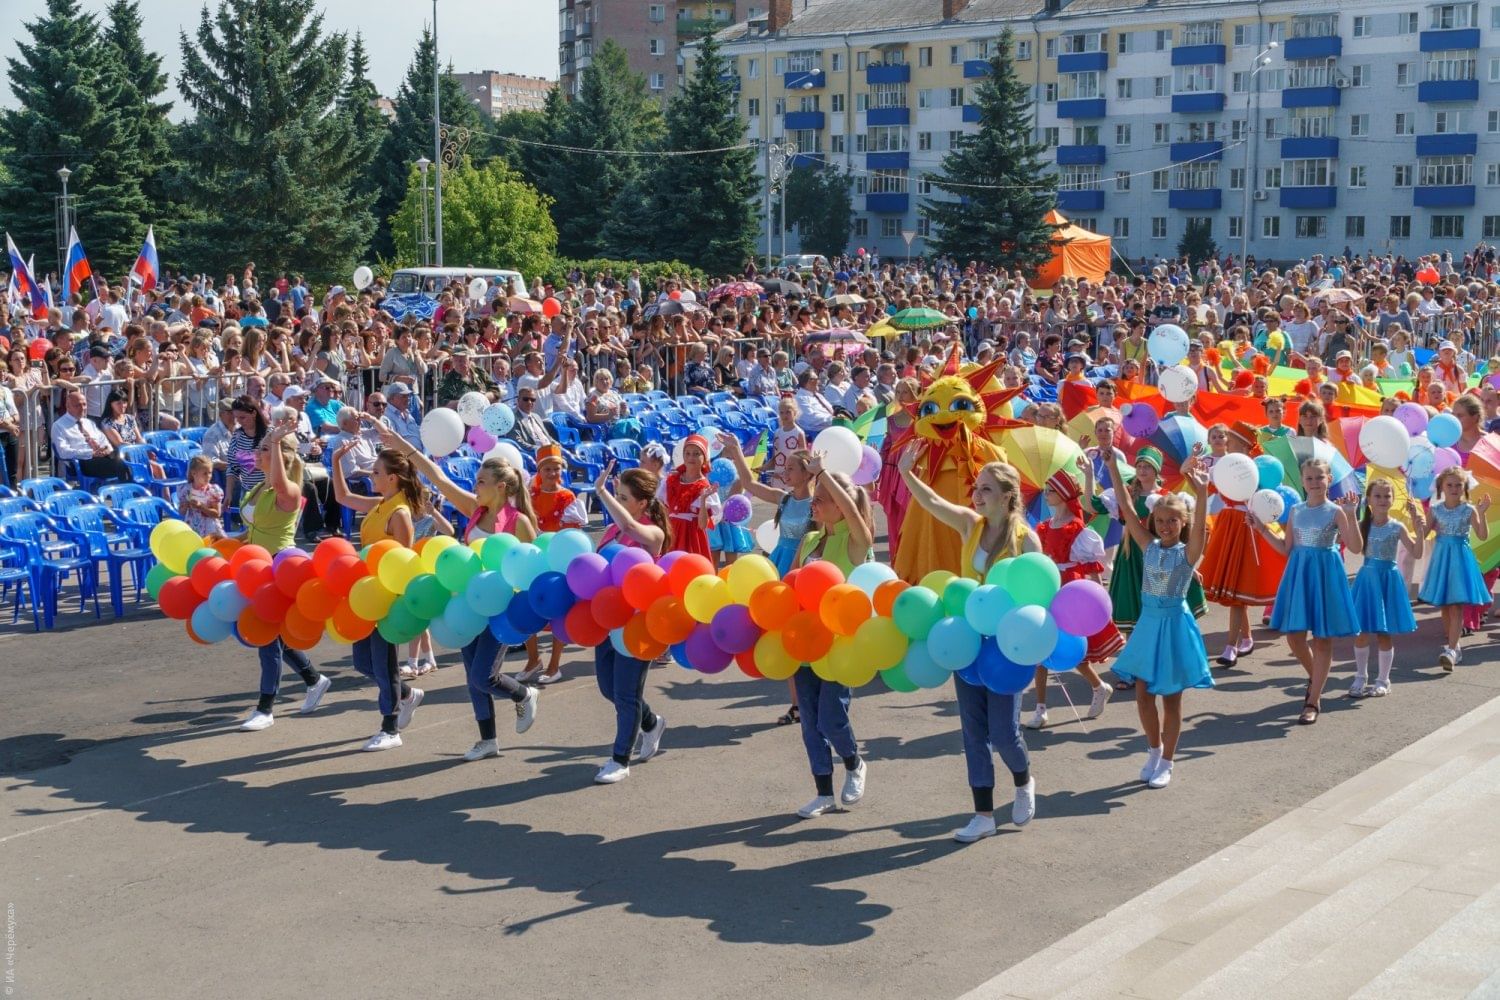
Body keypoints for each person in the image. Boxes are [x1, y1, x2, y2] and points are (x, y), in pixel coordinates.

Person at [377, 426, 541, 761]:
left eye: (481, 481)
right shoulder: (475, 510)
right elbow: (437, 478)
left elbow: (532, 565)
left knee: (484, 676)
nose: (474, 486)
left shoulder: (518, 522)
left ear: (501, 487)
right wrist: (403, 445)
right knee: (472, 677)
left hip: (499, 606)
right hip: (466, 601)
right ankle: (488, 740)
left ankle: (523, 693)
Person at [897, 450, 1038, 841]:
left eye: (987, 489)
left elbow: (1040, 598)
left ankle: (1024, 781)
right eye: (976, 488)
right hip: (966, 640)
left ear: (1008, 496)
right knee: (973, 732)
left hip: (1007, 647)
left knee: (1004, 733)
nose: (977, 495)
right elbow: (933, 502)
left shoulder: (1027, 540)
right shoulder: (970, 525)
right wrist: (907, 473)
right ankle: (983, 815)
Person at [1103, 450, 1213, 789]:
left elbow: (1200, 534)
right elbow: (1125, 506)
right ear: (1154, 522)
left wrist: (1203, 493)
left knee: (1172, 698)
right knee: (1142, 693)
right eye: (1161, 520)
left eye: (1173, 521)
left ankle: (1168, 760)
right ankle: (1154, 749)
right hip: (1148, 625)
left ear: (1182, 524)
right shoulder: (1147, 545)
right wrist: (1110, 467)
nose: (1166, 526)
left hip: (1175, 627)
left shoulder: (1187, 554)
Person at [788, 460, 873, 819]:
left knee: (830, 718)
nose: (814, 501)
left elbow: (857, 520)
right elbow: (790, 583)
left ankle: (854, 762)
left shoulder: (856, 541)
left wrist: (821, 473)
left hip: (840, 645)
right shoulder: (809, 539)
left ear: (842, 506)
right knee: (809, 721)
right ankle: (823, 791)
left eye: (822, 497)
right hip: (806, 640)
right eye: (815, 496)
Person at [330, 438, 427, 750]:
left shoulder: (398, 513)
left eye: (375, 472)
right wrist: (335, 461)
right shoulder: (380, 504)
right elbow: (343, 497)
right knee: (362, 662)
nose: (371, 477)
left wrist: (395, 599)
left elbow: (404, 559)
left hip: (385, 597)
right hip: (364, 592)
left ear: (392, 478)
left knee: (384, 665)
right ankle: (407, 695)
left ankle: (390, 728)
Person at [1251, 459, 1362, 725]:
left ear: (1328, 479)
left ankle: (1313, 700)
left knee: (1323, 639)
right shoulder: (1297, 511)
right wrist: (1261, 527)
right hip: (1299, 573)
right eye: (1309, 478)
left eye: (1319, 478)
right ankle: (1317, 679)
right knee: (1295, 637)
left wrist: (1351, 513)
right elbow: (1286, 547)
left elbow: (1356, 547)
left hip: (1326, 573)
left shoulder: (1336, 510)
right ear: (1302, 481)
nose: (1314, 483)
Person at [236, 426, 331, 731]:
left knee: (267, 637)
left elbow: (279, 484)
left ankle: (265, 708)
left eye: (266, 448)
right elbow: (253, 527)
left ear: (284, 456)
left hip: (279, 568)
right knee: (276, 635)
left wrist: (275, 441)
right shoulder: (258, 487)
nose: (258, 452)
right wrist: (227, 540)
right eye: (262, 447)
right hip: (255, 566)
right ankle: (314, 680)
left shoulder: (288, 489)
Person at [720, 432, 814, 726]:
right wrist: (736, 450)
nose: (785, 473)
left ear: (806, 472)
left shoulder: (818, 502)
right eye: (785, 469)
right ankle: (797, 705)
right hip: (778, 564)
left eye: (791, 469)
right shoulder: (784, 499)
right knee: (782, 634)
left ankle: (814, 701)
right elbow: (749, 485)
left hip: (804, 569)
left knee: (804, 634)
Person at [588, 462, 671, 784]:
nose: (619, 502)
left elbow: (632, 528)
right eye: (617, 495)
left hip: (637, 625)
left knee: (625, 694)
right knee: (608, 688)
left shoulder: (653, 533)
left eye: (624, 497)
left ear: (642, 503)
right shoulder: (612, 531)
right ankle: (651, 723)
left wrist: (601, 493)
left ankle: (619, 759)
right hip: (607, 620)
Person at [1030, 465, 1124, 728]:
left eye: (1051, 490)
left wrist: (1099, 603)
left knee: (1075, 652)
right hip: (1048, 588)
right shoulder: (1044, 527)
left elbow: (1093, 570)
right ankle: (1040, 709)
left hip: (1070, 590)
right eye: (1046, 490)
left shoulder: (1077, 528)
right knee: (1040, 648)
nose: (1046, 494)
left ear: (1063, 495)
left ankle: (1098, 686)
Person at [1196, 423, 1285, 666]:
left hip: (1247, 526)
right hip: (1228, 524)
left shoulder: (1256, 468)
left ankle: (1230, 645)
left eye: (1232, 440)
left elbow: (1265, 497)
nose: (1227, 442)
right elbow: (1199, 481)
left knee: (1237, 590)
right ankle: (1245, 637)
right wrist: (1194, 465)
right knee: (1235, 591)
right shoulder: (1226, 465)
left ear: (1243, 445)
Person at [1350, 481, 1424, 698]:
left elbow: (1417, 553)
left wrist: (1419, 530)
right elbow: (1354, 547)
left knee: (1384, 633)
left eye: (1387, 496)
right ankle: (1360, 677)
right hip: (1367, 579)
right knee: (1361, 632)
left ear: (1393, 500)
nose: (1383, 500)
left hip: (1388, 580)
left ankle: (1383, 679)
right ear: (1369, 500)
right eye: (1378, 496)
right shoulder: (1363, 524)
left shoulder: (1397, 526)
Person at [1418, 467, 1492, 670]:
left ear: (1464, 487)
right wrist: (1418, 521)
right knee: (1444, 604)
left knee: (1457, 604)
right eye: (1449, 485)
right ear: (1441, 487)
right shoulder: (1435, 509)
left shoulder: (1469, 509)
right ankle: (1455, 645)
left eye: (1458, 485)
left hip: (1461, 557)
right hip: (1442, 558)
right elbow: (1423, 534)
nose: (1454, 488)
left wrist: (1482, 513)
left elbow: (1482, 535)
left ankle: (1450, 649)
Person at [51, 389, 132, 483]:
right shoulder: (58, 425)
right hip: (82, 461)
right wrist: (90, 453)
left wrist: (106, 449)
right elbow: (63, 452)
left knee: (125, 454)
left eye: (84, 404)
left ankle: (130, 488)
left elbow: (103, 440)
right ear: (68, 406)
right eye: (77, 405)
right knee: (121, 464)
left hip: (101, 458)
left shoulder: (88, 423)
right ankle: (129, 490)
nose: (82, 408)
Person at [662, 434, 719, 559]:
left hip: (691, 536)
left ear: (704, 458)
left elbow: (703, 525)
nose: (690, 457)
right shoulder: (672, 480)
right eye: (687, 453)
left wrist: (703, 500)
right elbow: (665, 510)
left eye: (696, 454)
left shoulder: (704, 486)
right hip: (672, 532)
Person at [176, 454, 224, 538]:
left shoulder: (213, 491)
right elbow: (181, 512)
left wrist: (201, 507)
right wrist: (184, 507)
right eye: (205, 474)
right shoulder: (186, 489)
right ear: (194, 473)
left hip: (210, 529)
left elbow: (217, 513)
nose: (208, 476)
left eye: (210, 473)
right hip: (191, 527)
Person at [768, 397, 809, 489]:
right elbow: (775, 457)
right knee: (779, 500)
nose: (784, 415)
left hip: (792, 476)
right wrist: (764, 468)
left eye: (788, 412)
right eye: (782, 412)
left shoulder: (799, 433)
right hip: (778, 476)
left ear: (795, 413)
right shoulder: (777, 433)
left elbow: (803, 458)